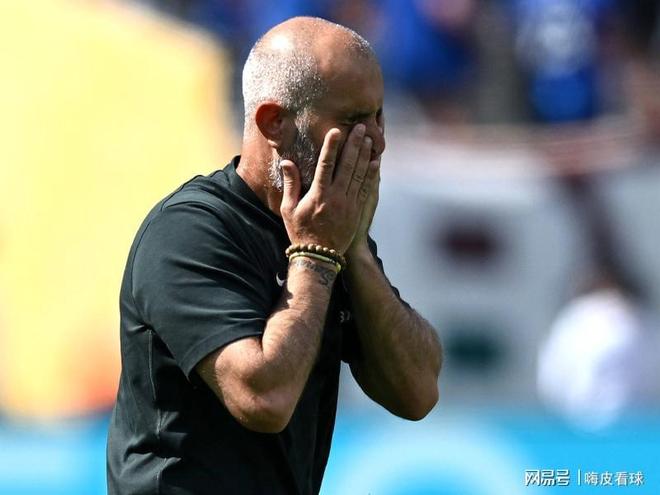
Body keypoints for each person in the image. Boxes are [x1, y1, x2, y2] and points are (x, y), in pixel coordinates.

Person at [107, 16, 442, 495]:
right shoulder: (188, 231)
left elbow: (417, 391)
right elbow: (263, 398)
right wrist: (316, 257)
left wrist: (356, 253)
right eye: (353, 121)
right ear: (273, 123)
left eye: (379, 116)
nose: (378, 142)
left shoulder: (328, 227)